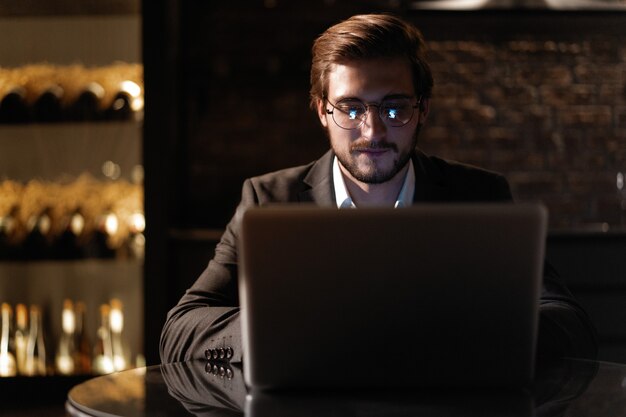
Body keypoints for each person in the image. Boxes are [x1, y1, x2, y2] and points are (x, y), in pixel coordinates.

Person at [160, 13, 597, 366]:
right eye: (350, 108)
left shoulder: (479, 194)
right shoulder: (266, 201)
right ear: (322, 111)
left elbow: (569, 325)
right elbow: (181, 327)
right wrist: (273, 332)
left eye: (395, 107)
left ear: (422, 109)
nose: (373, 130)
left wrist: (465, 335)